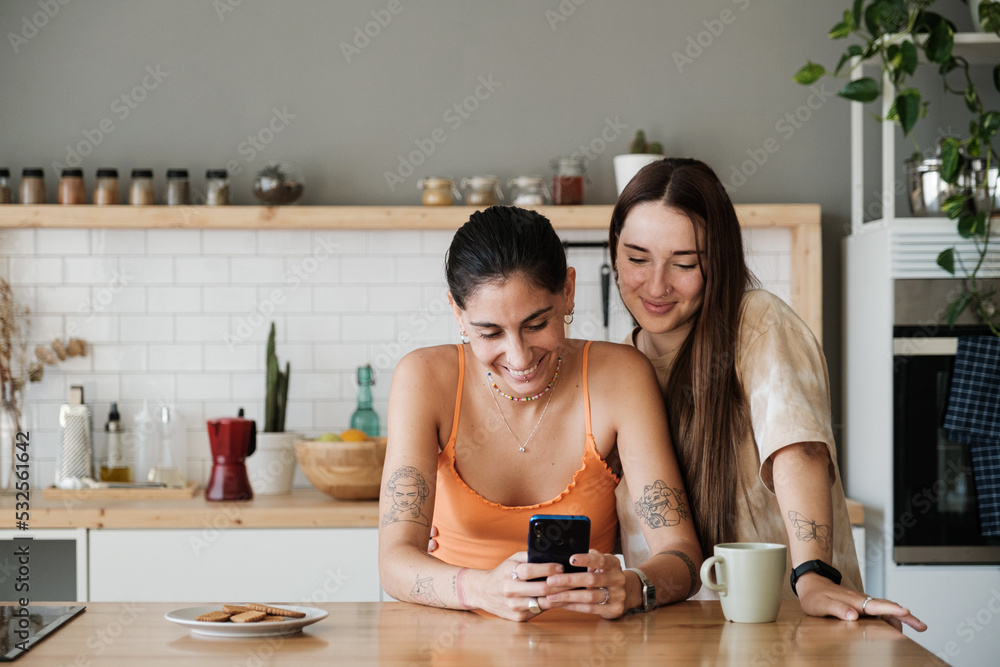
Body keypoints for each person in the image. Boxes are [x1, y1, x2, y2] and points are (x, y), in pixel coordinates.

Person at [608, 157, 926, 632]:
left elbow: (798, 450)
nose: (656, 285)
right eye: (637, 259)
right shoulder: (617, 370)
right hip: (672, 639)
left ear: (720, 261)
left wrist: (813, 575)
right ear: (613, 252)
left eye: (685, 263)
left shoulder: (758, 323)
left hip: (791, 630)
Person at [378, 205, 702, 622]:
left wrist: (635, 586)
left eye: (536, 324)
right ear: (458, 315)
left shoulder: (620, 376)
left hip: (591, 648)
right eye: (489, 332)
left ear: (567, 291)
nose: (518, 356)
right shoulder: (423, 378)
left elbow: (684, 557)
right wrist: (480, 589)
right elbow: (393, 562)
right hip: (453, 645)